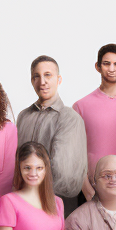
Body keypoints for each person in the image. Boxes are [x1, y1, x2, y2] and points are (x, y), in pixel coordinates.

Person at [16, 56, 88, 216]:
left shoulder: (69, 117)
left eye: (48, 75)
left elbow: (64, 172)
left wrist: (36, 197)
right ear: (32, 80)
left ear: (59, 79)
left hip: (56, 201)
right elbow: (16, 160)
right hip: (24, 199)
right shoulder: (23, 116)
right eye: (36, 76)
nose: (42, 81)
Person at [73, 44, 116, 202]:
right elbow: (75, 153)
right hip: (93, 188)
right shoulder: (81, 106)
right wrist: (86, 188)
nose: (112, 69)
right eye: (106, 63)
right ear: (97, 66)